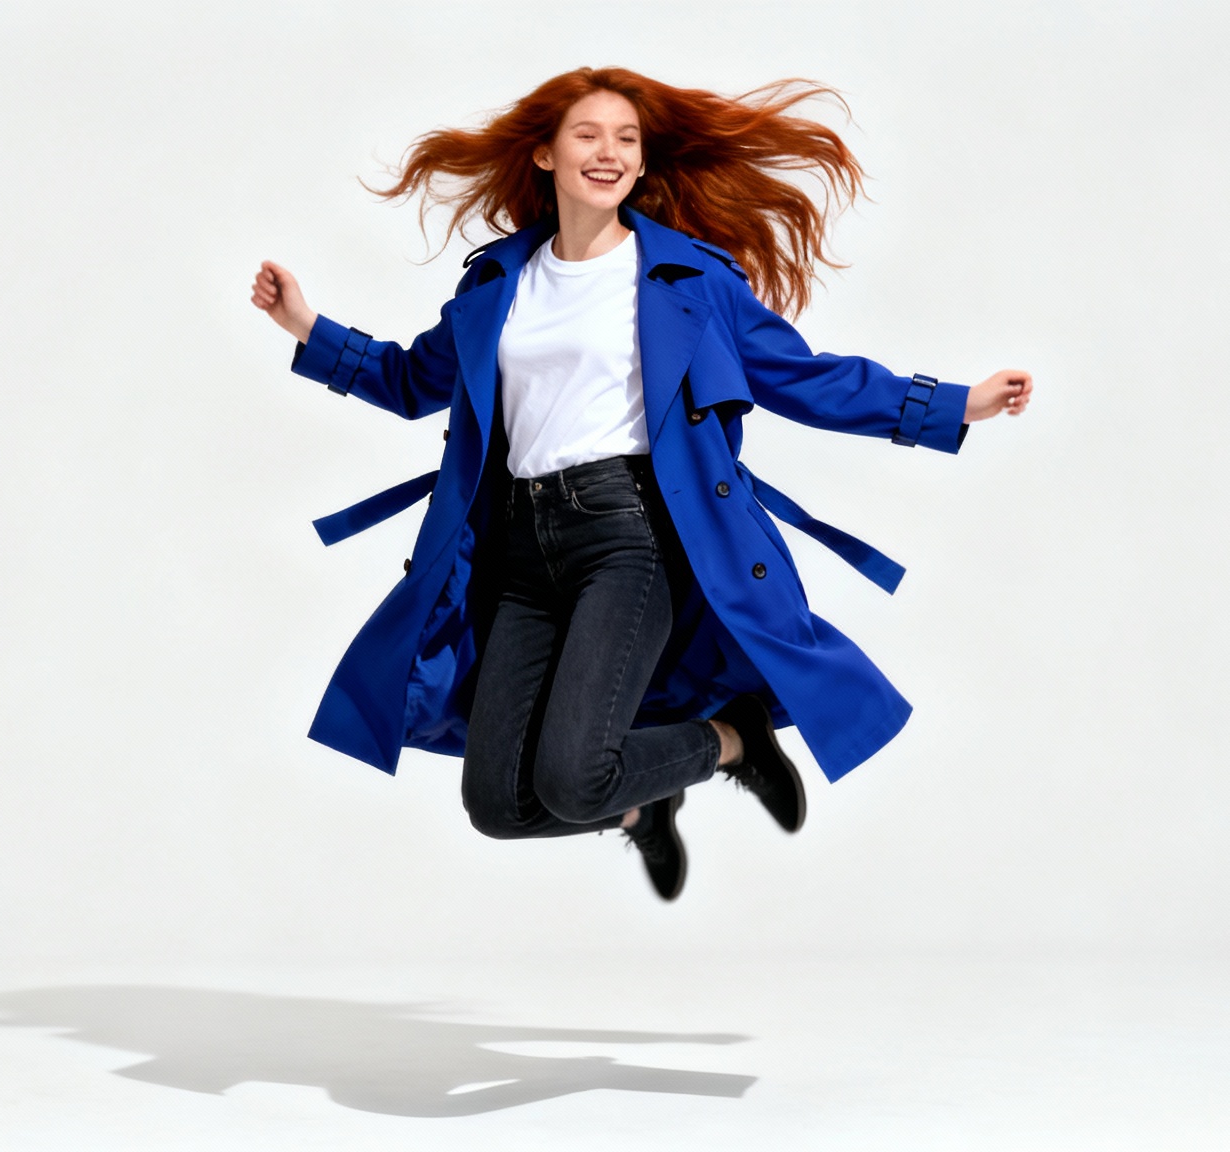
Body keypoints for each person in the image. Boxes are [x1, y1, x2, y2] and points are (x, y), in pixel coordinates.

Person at [251, 67, 1032, 901]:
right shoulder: (497, 283)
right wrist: (304, 325)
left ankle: (733, 741)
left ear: (643, 164)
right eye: (588, 134)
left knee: (574, 775)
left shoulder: (691, 280)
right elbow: (411, 381)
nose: (609, 152)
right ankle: (640, 808)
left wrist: (952, 406)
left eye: (626, 139)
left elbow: (808, 378)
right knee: (496, 804)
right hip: (519, 552)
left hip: (631, 541)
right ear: (546, 155)